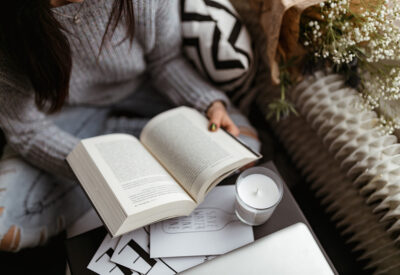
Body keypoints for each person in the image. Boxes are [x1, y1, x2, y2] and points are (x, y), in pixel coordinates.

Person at [0, 0, 260, 251]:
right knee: (6, 227)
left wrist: (208, 104)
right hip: (64, 116)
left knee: (242, 145)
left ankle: (134, 158)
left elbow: (165, 60)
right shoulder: (10, 24)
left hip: (144, 89)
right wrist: (88, 169)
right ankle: (135, 162)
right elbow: (26, 130)